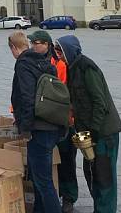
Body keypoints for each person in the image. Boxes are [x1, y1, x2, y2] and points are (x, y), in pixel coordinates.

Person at [55, 36, 121, 213]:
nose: (58, 55)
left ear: (69, 50)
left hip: (103, 133)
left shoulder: (87, 68)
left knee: (104, 177)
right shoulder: (73, 68)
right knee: (92, 174)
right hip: (90, 132)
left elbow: (99, 102)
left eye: (60, 51)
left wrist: (93, 130)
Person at [9, 30, 63, 213]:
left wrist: (25, 127)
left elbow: (26, 96)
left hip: (39, 128)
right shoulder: (45, 62)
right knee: (39, 178)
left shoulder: (23, 64)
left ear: (14, 48)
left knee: (43, 181)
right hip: (52, 124)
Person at [29, 31, 78, 213]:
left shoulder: (61, 65)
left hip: (63, 118)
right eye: (32, 43)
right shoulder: (36, 63)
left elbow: (61, 91)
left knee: (66, 160)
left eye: (38, 42)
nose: (34, 46)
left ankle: (68, 196)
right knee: (47, 164)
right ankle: (50, 198)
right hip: (46, 119)